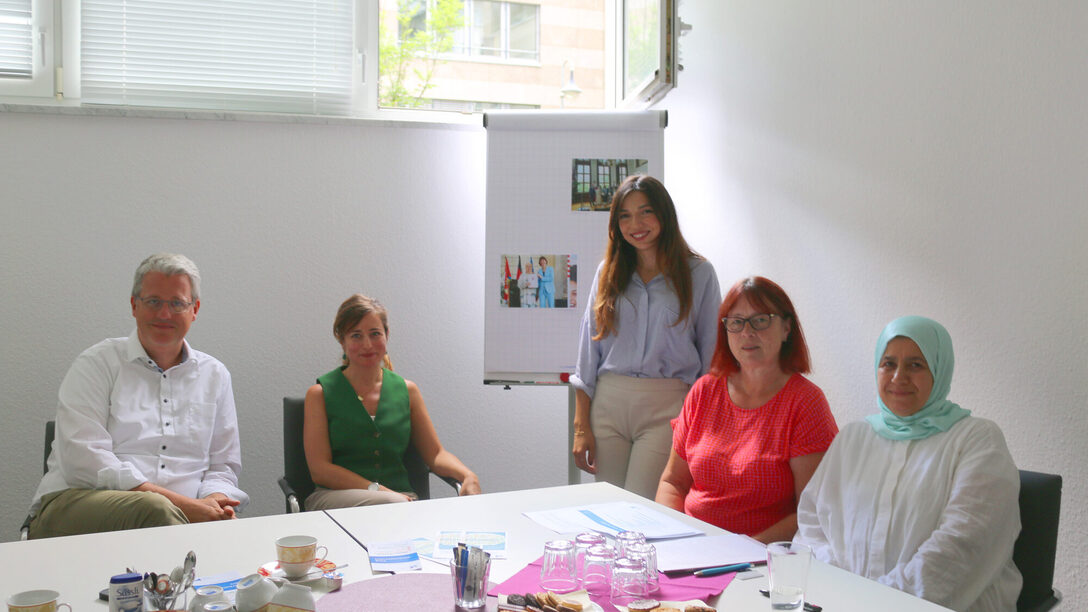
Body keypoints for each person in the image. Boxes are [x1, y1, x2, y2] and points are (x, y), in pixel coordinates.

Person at [794, 316, 1021, 612]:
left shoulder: (977, 439)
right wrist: (841, 589)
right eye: (888, 363)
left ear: (940, 370)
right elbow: (812, 522)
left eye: (916, 365)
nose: (898, 376)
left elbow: (962, 547)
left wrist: (877, 602)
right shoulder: (854, 436)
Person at [28, 253, 247, 539]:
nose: (164, 313)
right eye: (153, 301)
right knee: (156, 510)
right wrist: (185, 507)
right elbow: (84, 460)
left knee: (235, 534)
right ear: (134, 305)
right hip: (78, 501)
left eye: (177, 303)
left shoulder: (215, 375)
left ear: (195, 310)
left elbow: (223, 466)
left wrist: (215, 500)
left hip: (180, 516)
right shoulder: (96, 364)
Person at [570, 174, 722, 499]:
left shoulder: (699, 274)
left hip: (666, 407)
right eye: (624, 215)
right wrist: (580, 428)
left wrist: (700, 426)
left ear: (664, 215)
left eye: (645, 212)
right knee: (607, 511)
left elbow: (712, 362)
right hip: (609, 404)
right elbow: (588, 353)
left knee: (641, 512)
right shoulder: (607, 272)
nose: (635, 224)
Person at [654, 276, 837, 542]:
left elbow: (810, 512)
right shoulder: (704, 391)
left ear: (787, 328)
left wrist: (742, 551)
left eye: (760, 320)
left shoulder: (806, 402)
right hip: (690, 547)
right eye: (736, 322)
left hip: (759, 558)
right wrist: (670, 536)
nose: (747, 333)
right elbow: (673, 483)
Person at [302, 294, 481, 509]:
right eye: (356, 335)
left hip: (400, 501)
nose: (367, 344)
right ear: (342, 340)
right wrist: (378, 491)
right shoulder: (320, 393)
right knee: (392, 503)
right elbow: (320, 469)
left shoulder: (408, 391)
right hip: (335, 499)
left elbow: (435, 454)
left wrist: (468, 475)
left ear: (387, 335)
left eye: (375, 334)